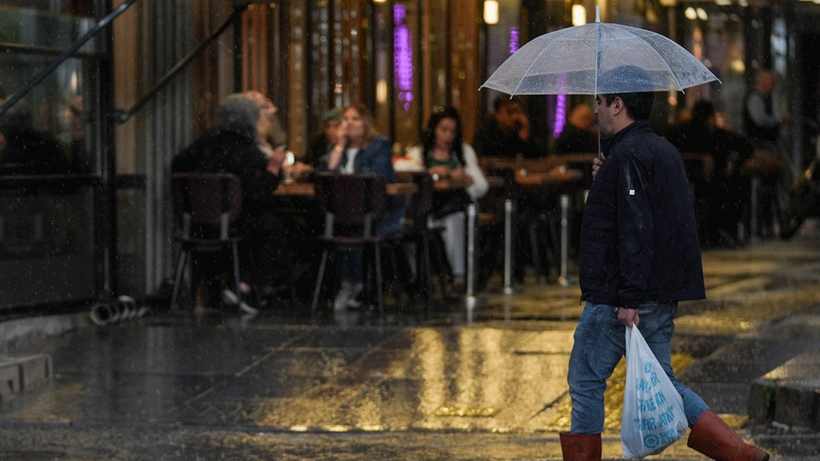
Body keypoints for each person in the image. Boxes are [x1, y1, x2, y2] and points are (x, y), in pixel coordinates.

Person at [561, 66, 770, 461]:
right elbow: (653, 214)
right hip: (658, 295)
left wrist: (628, 298)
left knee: (586, 379)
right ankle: (738, 453)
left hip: (619, 296)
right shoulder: (660, 149)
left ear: (618, 104)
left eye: (600, 103)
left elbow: (636, 230)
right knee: (664, 382)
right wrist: (607, 179)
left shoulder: (629, 155)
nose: (597, 111)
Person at [172, 93, 289, 315]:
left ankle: (238, 282)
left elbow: (178, 164)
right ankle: (247, 286)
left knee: (262, 225)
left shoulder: (203, 144)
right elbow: (258, 198)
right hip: (234, 226)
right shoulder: (247, 151)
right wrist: (273, 169)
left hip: (195, 226)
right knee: (275, 227)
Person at [317, 102, 403, 310]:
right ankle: (351, 284)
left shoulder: (379, 145)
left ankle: (353, 283)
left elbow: (378, 178)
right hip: (344, 214)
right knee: (344, 227)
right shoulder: (337, 149)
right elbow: (325, 174)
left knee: (355, 229)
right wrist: (339, 145)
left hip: (378, 213)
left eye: (355, 118)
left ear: (366, 122)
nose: (350, 124)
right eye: (345, 119)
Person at [406, 106, 489, 298]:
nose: (448, 136)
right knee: (410, 228)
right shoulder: (418, 154)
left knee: (454, 221)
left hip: (453, 209)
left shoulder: (463, 152)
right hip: (427, 210)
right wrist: (430, 174)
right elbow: (409, 177)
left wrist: (466, 178)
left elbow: (481, 186)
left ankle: (459, 278)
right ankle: (417, 280)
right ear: (433, 130)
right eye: (443, 129)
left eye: (453, 131)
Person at [665, 100, 753, 247]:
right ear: (711, 117)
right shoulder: (717, 135)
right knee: (739, 185)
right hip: (712, 184)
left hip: (678, 182)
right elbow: (746, 147)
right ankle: (724, 230)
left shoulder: (677, 131)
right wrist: (735, 163)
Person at [743, 69, 790, 238]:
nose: (774, 87)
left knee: (770, 186)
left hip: (766, 147)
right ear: (763, 82)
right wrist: (779, 119)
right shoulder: (756, 97)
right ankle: (762, 225)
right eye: (772, 83)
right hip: (760, 148)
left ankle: (767, 224)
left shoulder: (765, 98)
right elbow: (760, 120)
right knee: (766, 187)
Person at [473, 95, 542, 158]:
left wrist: (525, 134)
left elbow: (537, 156)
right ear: (497, 115)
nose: (515, 116)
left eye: (516, 112)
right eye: (510, 112)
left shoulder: (517, 129)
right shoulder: (486, 130)